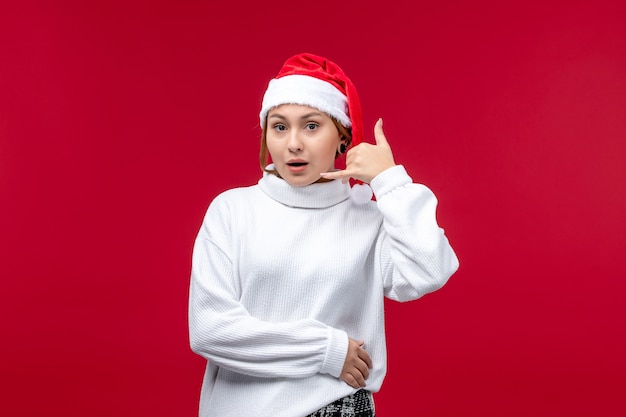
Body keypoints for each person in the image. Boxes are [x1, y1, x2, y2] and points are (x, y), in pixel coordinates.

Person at [188, 52, 459, 417]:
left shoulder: (368, 218)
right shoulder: (232, 211)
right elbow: (209, 330)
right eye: (280, 127)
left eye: (312, 126)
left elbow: (431, 269)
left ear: (343, 138)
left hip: (335, 407)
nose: (293, 144)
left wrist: (389, 180)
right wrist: (325, 349)